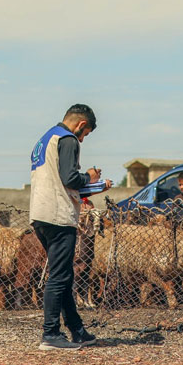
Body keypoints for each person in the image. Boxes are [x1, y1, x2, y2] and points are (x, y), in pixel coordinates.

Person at [30, 104, 110, 350]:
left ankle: (77, 330)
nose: (83, 140)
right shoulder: (68, 139)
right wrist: (91, 178)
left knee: (63, 274)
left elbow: (58, 180)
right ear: (81, 125)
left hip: (40, 213)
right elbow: (70, 178)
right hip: (58, 215)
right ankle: (51, 334)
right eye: (85, 135)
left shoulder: (46, 139)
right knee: (60, 276)